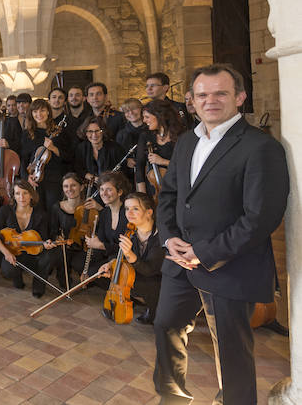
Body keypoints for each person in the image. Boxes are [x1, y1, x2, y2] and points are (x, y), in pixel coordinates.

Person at [154, 64, 289, 404]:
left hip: (230, 264)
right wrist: (169, 237)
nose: (210, 101)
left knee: (231, 350)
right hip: (180, 261)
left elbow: (260, 218)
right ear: (192, 102)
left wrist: (204, 252)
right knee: (166, 326)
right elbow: (169, 195)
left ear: (240, 97)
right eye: (202, 95)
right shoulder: (186, 142)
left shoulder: (260, 147)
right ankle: (171, 396)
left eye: (220, 93)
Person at [99, 191, 161, 324]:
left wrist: (131, 256)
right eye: (127, 208)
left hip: (160, 280)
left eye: (135, 209)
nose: (129, 213)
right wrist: (111, 264)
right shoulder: (131, 231)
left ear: (149, 212)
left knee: (134, 282)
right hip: (141, 274)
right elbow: (120, 256)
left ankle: (155, 310)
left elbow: (151, 270)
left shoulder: (160, 236)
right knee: (112, 276)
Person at [0, 180, 56, 297]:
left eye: (25, 193)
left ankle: (38, 286)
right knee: (8, 270)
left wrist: (46, 243)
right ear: (13, 196)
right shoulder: (5, 211)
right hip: (12, 252)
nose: (21, 197)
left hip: (32, 253)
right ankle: (17, 277)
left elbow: (43, 238)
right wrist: (6, 253)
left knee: (49, 257)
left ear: (31, 195)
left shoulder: (41, 214)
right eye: (17, 193)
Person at [20, 99, 73, 217]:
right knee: (36, 212)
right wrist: (26, 177)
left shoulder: (58, 132)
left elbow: (68, 157)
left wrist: (53, 148)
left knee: (52, 211)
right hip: (35, 178)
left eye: (42, 110)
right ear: (31, 114)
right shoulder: (27, 134)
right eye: (35, 111)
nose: (39, 114)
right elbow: (23, 158)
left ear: (48, 112)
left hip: (53, 179)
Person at [79, 171, 130, 279]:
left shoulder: (128, 214)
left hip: (125, 259)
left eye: (109, 189)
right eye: (102, 189)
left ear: (120, 192)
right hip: (110, 255)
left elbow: (127, 249)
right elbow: (102, 240)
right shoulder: (104, 213)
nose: (104, 193)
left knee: (94, 272)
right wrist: (94, 241)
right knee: (80, 264)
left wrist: (101, 245)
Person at [135, 99, 183, 198]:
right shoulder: (145, 136)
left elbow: (186, 166)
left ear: (160, 116)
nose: (144, 120)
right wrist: (142, 197)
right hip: (153, 190)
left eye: (147, 117)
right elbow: (139, 167)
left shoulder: (181, 136)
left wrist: (163, 161)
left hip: (178, 187)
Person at [73, 116, 126, 189]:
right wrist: (93, 178)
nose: (94, 135)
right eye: (90, 131)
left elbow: (122, 172)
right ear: (85, 133)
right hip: (89, 187)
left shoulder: (115, 148)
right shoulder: (81, 148)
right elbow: (78, 168)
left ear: (103, 131)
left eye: (97, 131)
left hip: (112, 187)